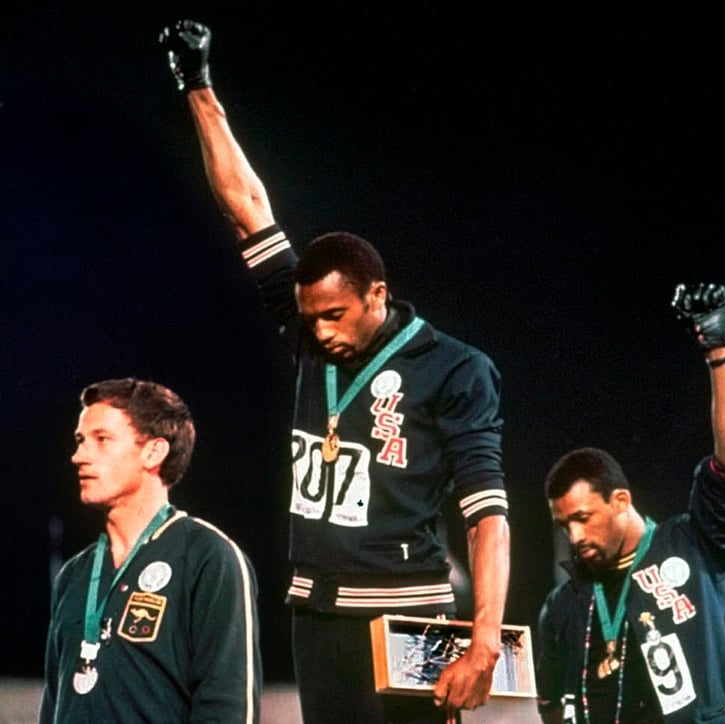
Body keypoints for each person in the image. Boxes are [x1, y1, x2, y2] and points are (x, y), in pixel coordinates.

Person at [159, 19, 511, 724]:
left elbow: (489, 517)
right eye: (309, 316)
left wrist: (483, 643)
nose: (319, 332)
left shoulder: (455, 368)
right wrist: (196, 84)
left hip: (408, 612)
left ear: (377, 295)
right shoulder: (309, 330)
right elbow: (246, 207)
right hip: (315, 609)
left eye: (335, 315)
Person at [536, 283, 725, 723]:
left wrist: (718, 352)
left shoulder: (693, 545)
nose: (575, 537)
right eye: (565, 526)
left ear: (620, 500)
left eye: (582, 518)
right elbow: (551, 708)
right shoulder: (562, 606)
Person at [39, 378, 262, 723]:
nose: (78, 456)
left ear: (154, 452)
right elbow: (55, 704)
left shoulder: (208, 557)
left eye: (102, 439)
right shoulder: (74, 574)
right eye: (81, 441)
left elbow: (228, 706)